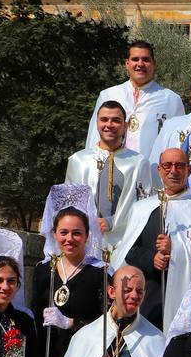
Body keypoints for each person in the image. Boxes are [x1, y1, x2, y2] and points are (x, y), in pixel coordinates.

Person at [113, 147, 191, 331]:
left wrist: (176, 248)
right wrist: (151, 259)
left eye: (179, 166)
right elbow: (130, 250)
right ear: (159, 170)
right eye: (167, 165)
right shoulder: (143, 208)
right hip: (150, 294)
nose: (173, 171)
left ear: (189, 170)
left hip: (188, 292)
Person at [30, 186, 106, 357]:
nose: (69, 239)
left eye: (76, 233)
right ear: (54, 234)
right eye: (63, 232)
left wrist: (71, 323)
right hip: (46, 356)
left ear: (87, 235)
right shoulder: (44, 270)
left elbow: (108, 321)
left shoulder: (99, 273)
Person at [65, 100, 152, 248]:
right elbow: (69, 205)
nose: (109, 125)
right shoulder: (78, 160)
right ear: (97, 123)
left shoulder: (139, 163)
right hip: (85, 243)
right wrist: (90, 223)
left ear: (125, 126)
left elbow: (144, 206)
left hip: (125, 243)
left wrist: (112, 222)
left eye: (116, 121)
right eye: (104, 120)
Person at [85, 41, 185, 168]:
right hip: (111, 171)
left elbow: (178, 145)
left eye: (146, 59)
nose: (140, 64)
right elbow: (94, 137)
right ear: (127, 64)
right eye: (135, 59)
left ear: (154, 64)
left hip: (151, 172)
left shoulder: (171, 100)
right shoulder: (108, 95)